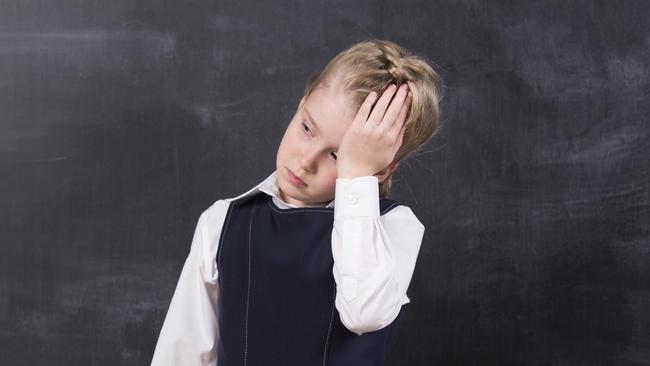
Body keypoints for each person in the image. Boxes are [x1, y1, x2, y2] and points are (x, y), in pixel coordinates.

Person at [151, 38, 444, 366]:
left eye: (336, 155)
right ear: (302, 102)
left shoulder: (393, 227)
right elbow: (182, 354)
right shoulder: (222, 221)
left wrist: (356, 175)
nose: (306, 161)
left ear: (380, 170)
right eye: (307, 128)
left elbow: (364, 314)